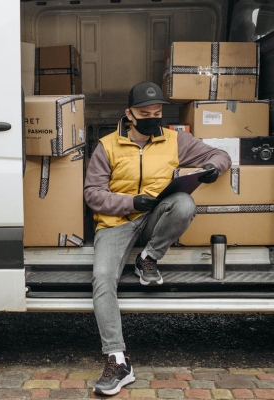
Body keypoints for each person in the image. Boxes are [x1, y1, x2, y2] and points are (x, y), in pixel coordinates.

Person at [84, 82, 232, 396]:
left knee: (185, 203)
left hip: (154, 220)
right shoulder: (106, 146)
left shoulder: (176, 140)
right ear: (129, 114)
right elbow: (92, 195)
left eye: (157, 112)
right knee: (101, 279)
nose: (152, 118)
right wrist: (130, 202)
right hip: (115, 222)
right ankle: (117, 359)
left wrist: (211, 168)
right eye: (144, 113)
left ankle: (148, 257)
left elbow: (221, 154)